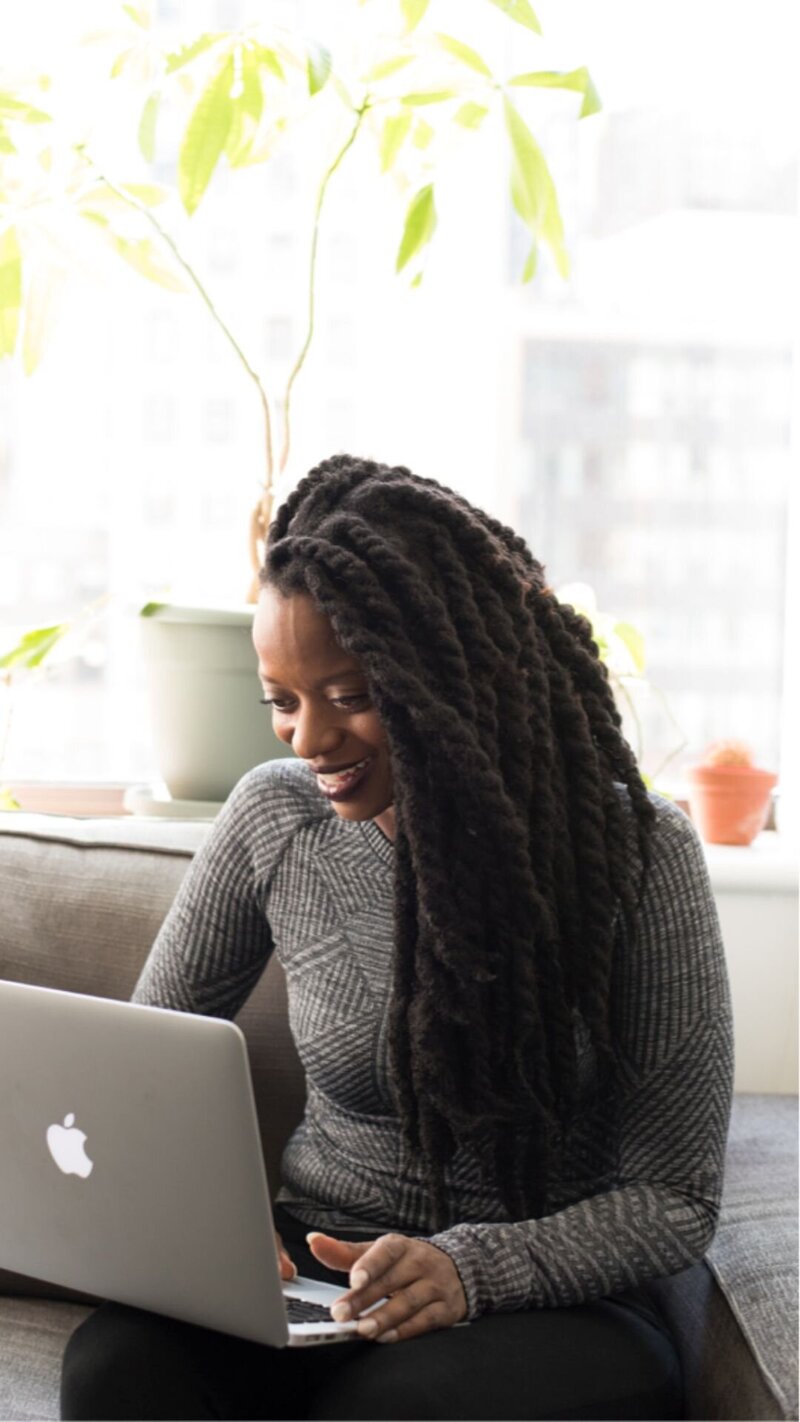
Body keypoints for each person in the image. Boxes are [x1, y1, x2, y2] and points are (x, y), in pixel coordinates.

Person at [61, 454, 733, 1421]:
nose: (307, 740)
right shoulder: (273, 821)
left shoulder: (638, 854)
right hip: (320, 1266)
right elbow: (134, 1065)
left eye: (349, 695)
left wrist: (469, 1269)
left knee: (400, 1408)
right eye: (282, 701)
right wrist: (215, 1230)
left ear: (454, 678)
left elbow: (675, 1196)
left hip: (544, 1297)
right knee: (115, 1372)